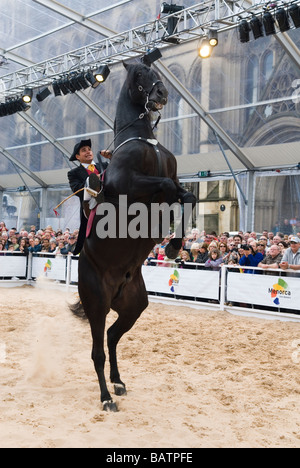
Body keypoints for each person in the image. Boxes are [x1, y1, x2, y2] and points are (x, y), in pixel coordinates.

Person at [67, 139, 111, 255]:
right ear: (77, 156)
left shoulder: (105, 165)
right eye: (83, 150)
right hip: (90, 209)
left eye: (89, 149)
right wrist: (92, 180)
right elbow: (77, 190)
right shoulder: (73, 173)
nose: (88, 152)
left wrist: (112, 157)